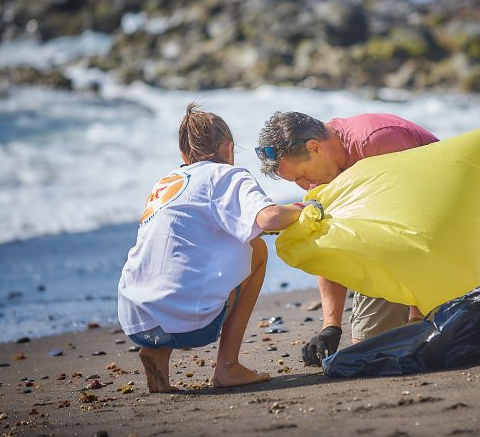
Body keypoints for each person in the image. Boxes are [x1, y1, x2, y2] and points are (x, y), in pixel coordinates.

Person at [118, 103, 307, 393]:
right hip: (189, 326)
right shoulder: (227, 175)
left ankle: (157, 355)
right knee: (256, 249)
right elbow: (269, 218)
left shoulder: (164, 184)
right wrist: (305, 208)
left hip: (136, 319)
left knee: (183, 257)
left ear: (184, 156)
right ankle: (228, 366)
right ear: (229, 149)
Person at [255, 112, 442, 366]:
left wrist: (417, 319)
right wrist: (331, 326)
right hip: (388, 244)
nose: (304, 185)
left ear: (314, 147)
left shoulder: (376, 141)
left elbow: (419, 213)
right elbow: (331, 246)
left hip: (446, 226)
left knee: (427, 342)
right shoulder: (322, 176)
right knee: (369, 351)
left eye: (301, 176)